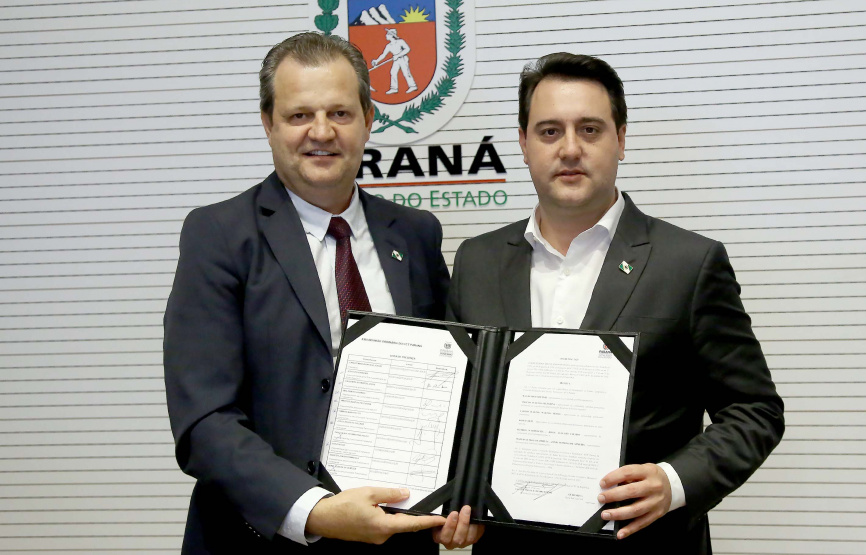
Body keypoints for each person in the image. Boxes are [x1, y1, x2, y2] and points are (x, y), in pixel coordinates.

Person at [447, 52, 785, 554]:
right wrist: (454, 499)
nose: (569, 149)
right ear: (522, 144)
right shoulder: (475, 260)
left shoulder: (689, 263)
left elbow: (754, 410)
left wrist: (672, 482)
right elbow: (460, 410)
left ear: (620, 140)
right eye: (548, 131)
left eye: (590, 129)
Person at [164, 32, 481, 553]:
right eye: (298, 115)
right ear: (268, 123)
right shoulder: (219, 235)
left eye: (339, 113)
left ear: (368, 118)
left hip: (398, 539)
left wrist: (465, 495)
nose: (321, 132)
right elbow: (204, 421)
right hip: (259, 539)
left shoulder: (416, 234)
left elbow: (450, 385)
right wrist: (313, 509)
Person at [372, 28, 418, 94]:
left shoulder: (400, 41)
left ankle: (413, 86)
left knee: (406, 73)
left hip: (403, 58)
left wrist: (398, 55)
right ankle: (394, 88)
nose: (386, 36)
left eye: (387, 35)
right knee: (393, 72)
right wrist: (377, 61)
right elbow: (383, 55)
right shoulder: (388, 46)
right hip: (396, 60)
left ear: (391, 36)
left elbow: (407, 49)